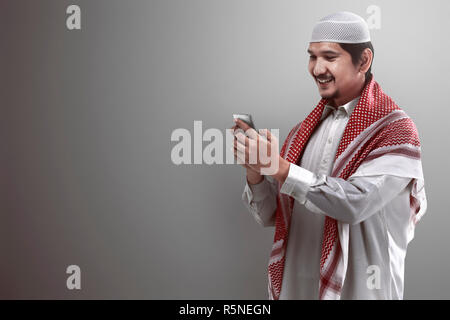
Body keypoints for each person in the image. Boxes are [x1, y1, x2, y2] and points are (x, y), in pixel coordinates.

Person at [231, 11, 427, 300]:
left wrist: (279, 168)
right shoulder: (302, 132)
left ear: (363, 61)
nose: (317, 68)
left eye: (329, 57)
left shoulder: (396, 131)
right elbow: (272, 215)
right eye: (312, 56)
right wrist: (256, 171)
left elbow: (354, 202)